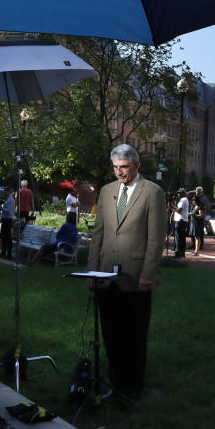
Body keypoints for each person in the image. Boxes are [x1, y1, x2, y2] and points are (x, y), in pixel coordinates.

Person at [86, 144, 166, 399]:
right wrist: (92, 271)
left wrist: (149, 274)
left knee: (134, 335)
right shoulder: (107, 191)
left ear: (136, 166)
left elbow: (156, 238)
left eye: (124, 167)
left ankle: (133, 388)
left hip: (136, 277)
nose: (119, 172)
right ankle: (116, 382)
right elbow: (98, 234)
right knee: (110, 334)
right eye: (116, 167)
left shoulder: (153, 192)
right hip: (105, 277)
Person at [172, 188, 192, 258]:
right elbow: (178, 209)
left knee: (179, 237)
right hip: (183, 220)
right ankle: (182, 253)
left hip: (180, 220)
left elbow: (179, 210)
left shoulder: (183, 200)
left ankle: (178, 253)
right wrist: (173, 206)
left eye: (179, 193)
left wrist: (172, 208)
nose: (178, 194)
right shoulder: (185, 200)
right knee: (182, 237)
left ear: (183, 193)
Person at [0, 187, 15, 259]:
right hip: (5, 220)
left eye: (5, 191)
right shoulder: (8, 199)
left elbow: (9, 211)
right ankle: (3, 252)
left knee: (8, 238)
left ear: (8, 191)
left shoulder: (10, 200)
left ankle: (9, 254)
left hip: (8, 220)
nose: (4, 192)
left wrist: (1, 208)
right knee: (4, 237)